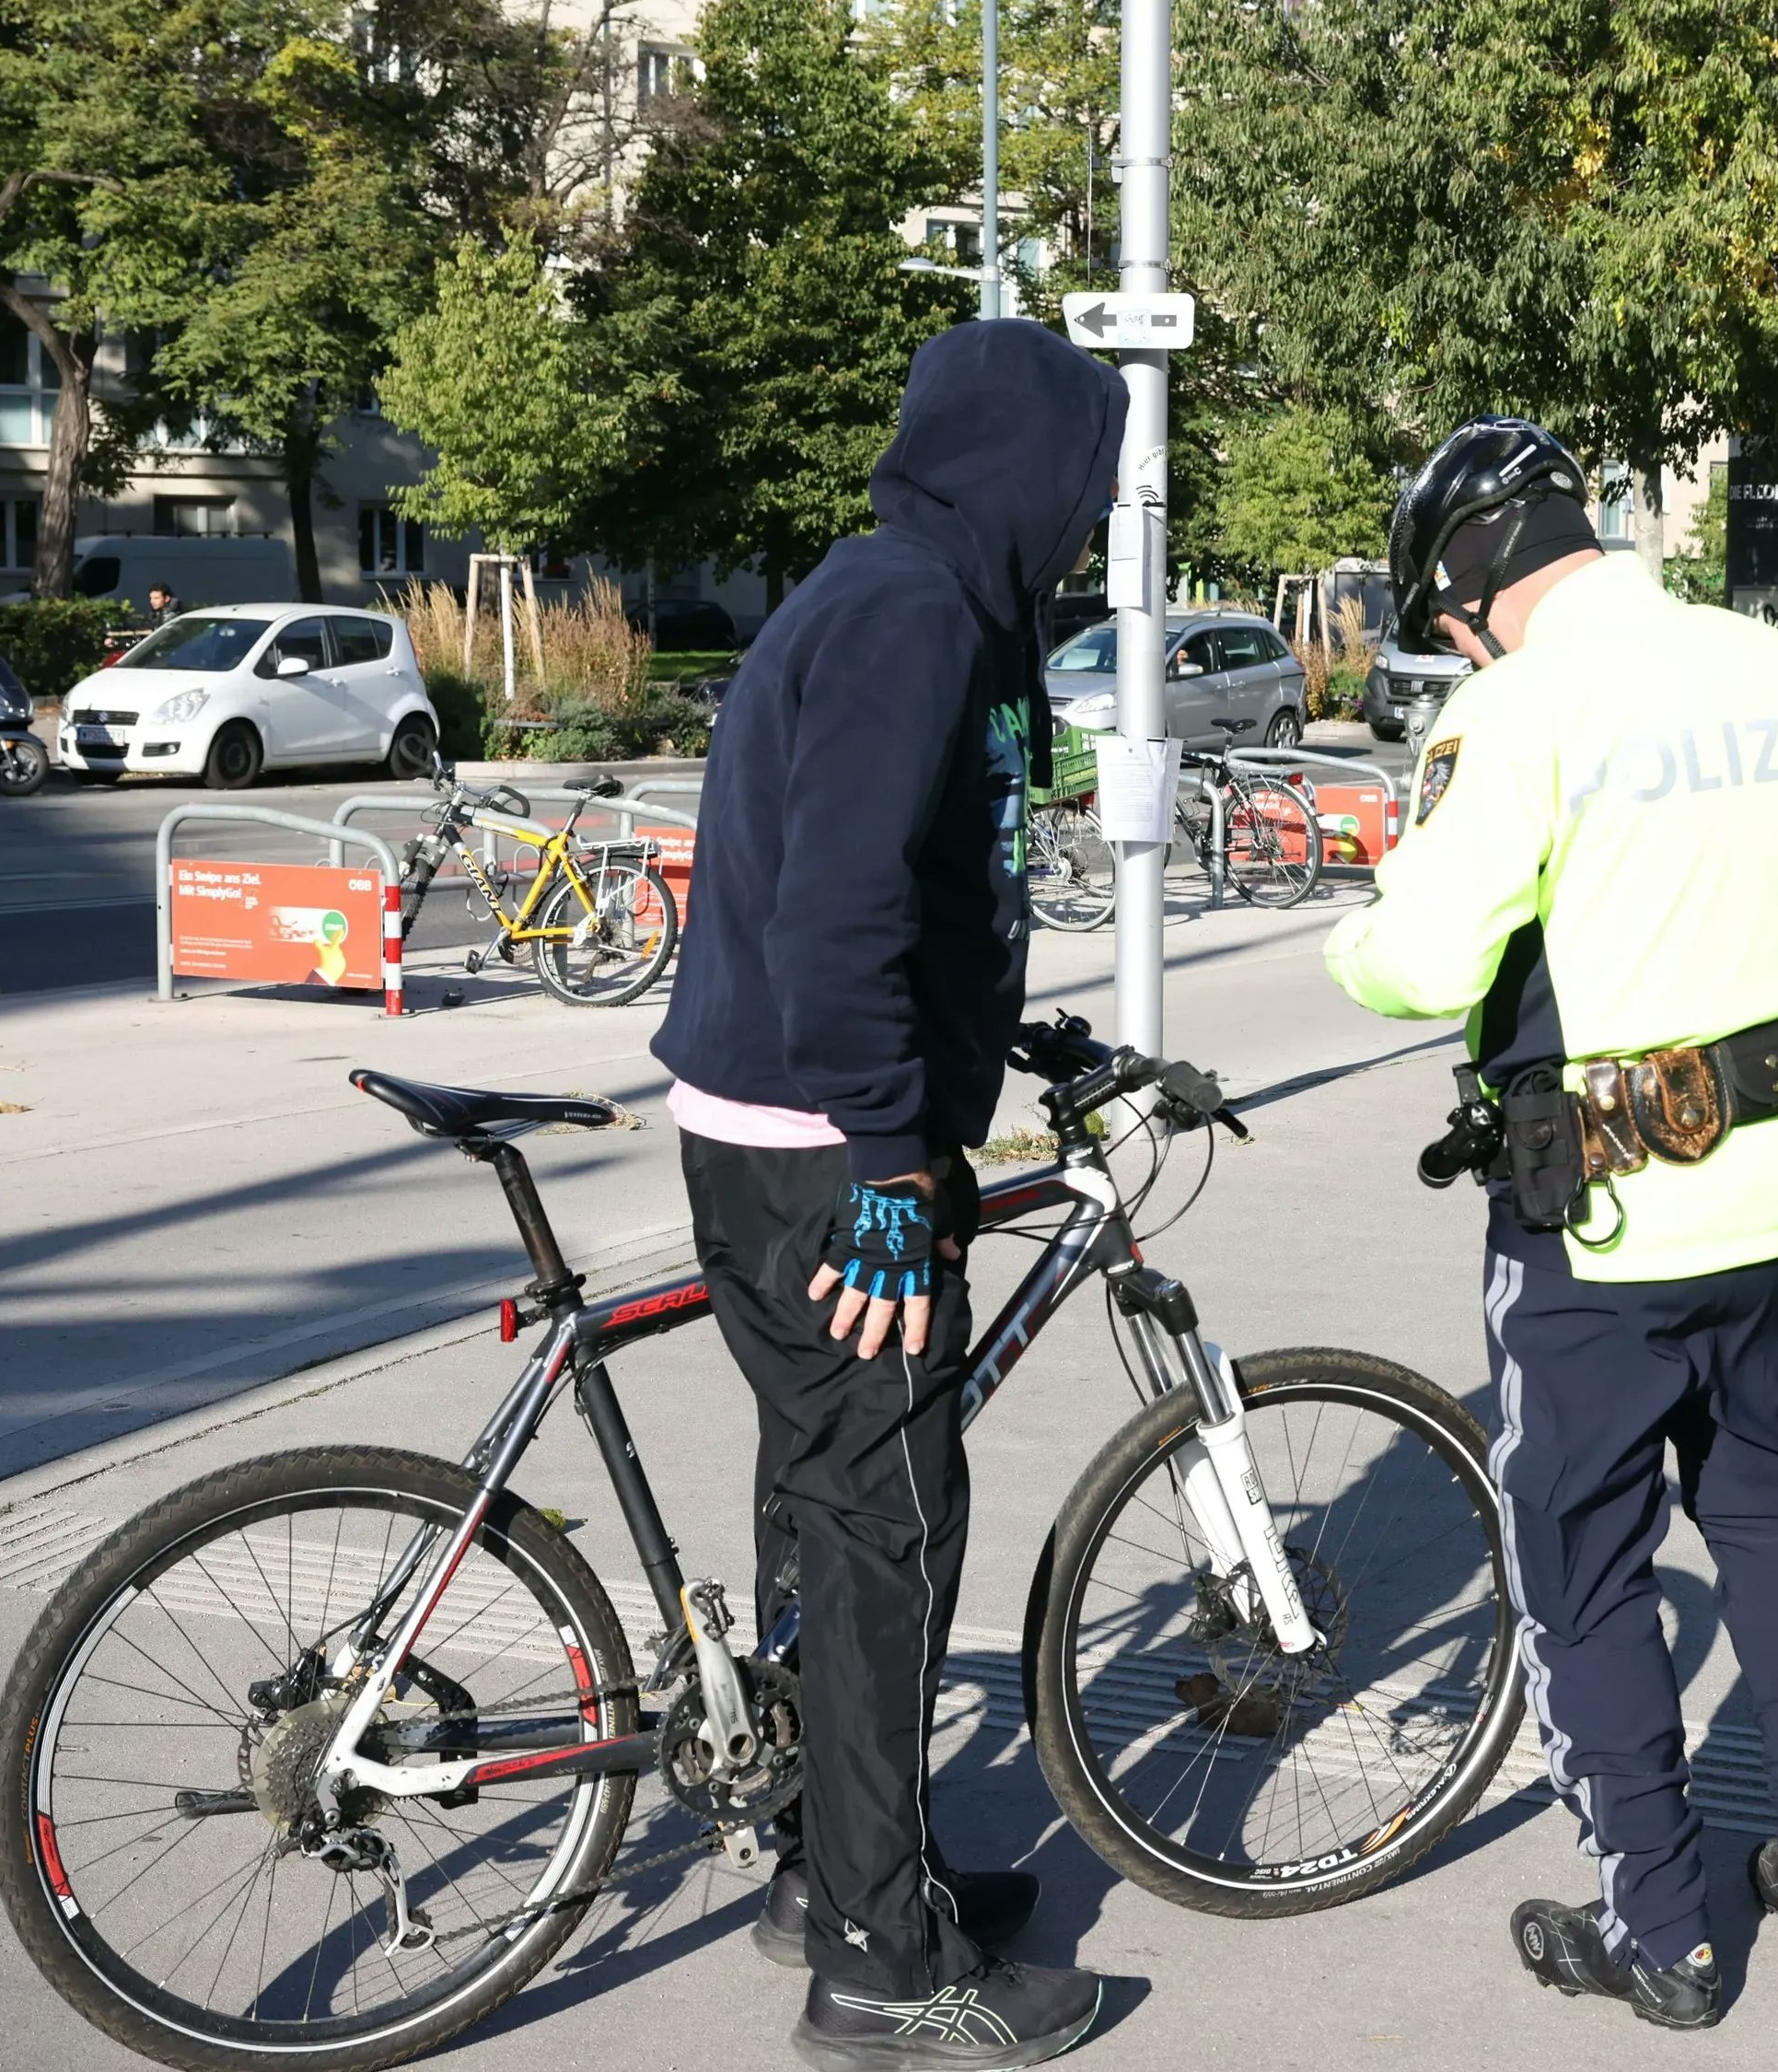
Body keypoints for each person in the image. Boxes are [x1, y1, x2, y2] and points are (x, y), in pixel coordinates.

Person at [1324, 418, 1778, 2029]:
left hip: (1595, 1221)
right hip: (1777, 1189)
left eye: (1444, 616)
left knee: (1585, 1572)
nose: (1453, 643)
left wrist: (1355, 934)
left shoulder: (1515, 707)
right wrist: (1767, 963)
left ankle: (1666, 1933)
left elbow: (1417, 961)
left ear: (1473, 578)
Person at [648, 318, 1126, 2072]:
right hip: (816, 1149)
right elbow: (834, 908)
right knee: (889, 1528)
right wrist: (885, 1159)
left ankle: (839, 1863)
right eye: (1087, 480)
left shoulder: (921, 596)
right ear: (1028, 466)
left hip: (802, 1123)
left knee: (828, 1500)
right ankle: (873, 1961)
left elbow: (918, 883)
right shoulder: (913, 612)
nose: (1093, 518)